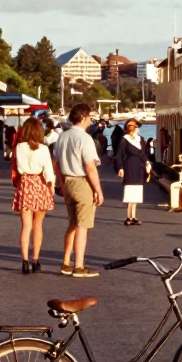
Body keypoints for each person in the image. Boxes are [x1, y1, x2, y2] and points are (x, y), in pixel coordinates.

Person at [53, 103, 104, 278]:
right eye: (89, 117)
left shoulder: (62, 137)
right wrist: (98, 190)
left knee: (73, 223)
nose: (90, 120)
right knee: (83, 225)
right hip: (82, 182)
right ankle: (79, 265)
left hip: (67, 181)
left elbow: (56, 163)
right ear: (83, 117)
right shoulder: (85, 138)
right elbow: (90, 166)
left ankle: (66, 262)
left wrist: (61, 183)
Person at [12, 115, 55, 273]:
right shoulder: (43, 149)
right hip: (39, 183)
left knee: (26, 226)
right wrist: (51, 185)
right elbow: (48, 170)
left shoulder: (19, 148)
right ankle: (35, 259)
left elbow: (17, 167)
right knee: (38, 225)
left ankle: (24, 261)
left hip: (25, 184)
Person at [115, 117, 151, 225]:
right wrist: (120, 168)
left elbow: (143, 154)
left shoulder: (141, 139)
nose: (132, 128)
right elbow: (119, 155)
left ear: (136, 127)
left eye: (133, 126)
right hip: (129, 166)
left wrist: (147, 163)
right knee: (130, 191)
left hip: (139, 167)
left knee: (137, 191)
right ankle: (128, 217)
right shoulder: (124, 139)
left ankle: (134, 216)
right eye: (129, 126)